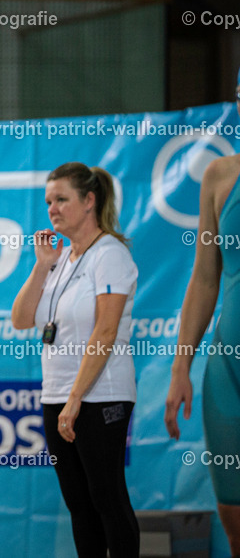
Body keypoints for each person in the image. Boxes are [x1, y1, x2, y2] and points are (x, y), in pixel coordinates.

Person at [11, 162, 139, 557]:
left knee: (107, 498)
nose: (52, 208)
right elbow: (21, 319)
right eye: (49, 201)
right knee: (79, 506)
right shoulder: (62, 258)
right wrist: (41, 264)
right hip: (57, 394)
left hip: (100, 396)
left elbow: (105, 331)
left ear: (89, 201)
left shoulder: (110, 254)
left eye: (62, 199)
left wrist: (76, 398)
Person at [164, 74, 240, 557]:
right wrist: (179, 367)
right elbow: (205, 279)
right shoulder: (220, 175)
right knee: (236, 523)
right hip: (227, 372)